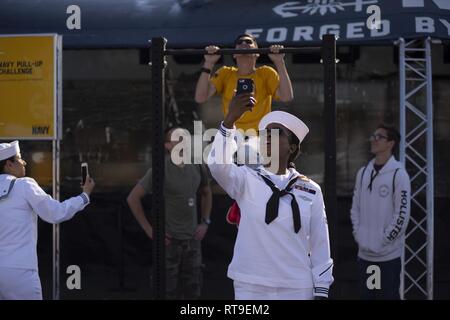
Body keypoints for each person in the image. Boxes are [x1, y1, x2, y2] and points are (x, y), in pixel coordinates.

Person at [207, 93, 333, 300]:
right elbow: (218, 165)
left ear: (292, 147)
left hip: (297, 286)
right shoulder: (246, 179)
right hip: (251, 284)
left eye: (276, 133)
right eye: (264, 133)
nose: (267, 137)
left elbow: (320, 245)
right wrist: (229, 121)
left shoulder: (310, 190)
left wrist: (321, 288)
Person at [0, 141, 95, 300]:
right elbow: (56, 213)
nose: (24, 162)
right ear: (9, 164)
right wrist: (84, 196)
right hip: (20, 271)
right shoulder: (24, 185)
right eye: (19, 158)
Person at [127, 127, 212, 299]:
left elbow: (206, 192)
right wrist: (150, 230)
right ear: (167, 145)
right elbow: (133, 198)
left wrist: (205, 222)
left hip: (192, 241)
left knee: (192, 292)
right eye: (177, 138)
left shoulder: (197, 164)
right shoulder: (159, 170)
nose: (183, 140)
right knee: (166, 291)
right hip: (168, 242)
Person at [350, 124, 411, 300]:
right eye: (373, 136)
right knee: (368, 297)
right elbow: (355, 208)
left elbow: (402, 214)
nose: (374, 139)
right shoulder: (363, 173)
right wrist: (359, 234)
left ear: (391, 143)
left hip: (388, 257)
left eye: (380, 137)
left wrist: (383, 240)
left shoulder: (399, 175)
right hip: (365, 256)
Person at [195, 33, 294, 134]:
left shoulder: (266, 73)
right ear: (234, 54)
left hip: (260, 136)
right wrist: (209, 63)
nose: (243, 43)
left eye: (248, 42)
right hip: (232, 134)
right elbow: (200, 97)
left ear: (257, 53)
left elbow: (286, 97)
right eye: (239, 42)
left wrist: (279, 61)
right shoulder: (225, 73)